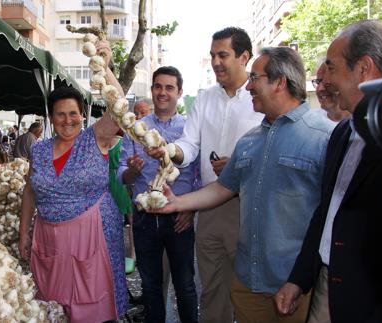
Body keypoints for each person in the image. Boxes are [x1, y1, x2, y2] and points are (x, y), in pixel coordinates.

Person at [148, 47, 334, 323]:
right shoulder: (249, 141)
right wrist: (178, 202)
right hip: (248, 281)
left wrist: (300, 279)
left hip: (296, 283)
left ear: (279, 82)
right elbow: (223, 188)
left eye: (255, 78)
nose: (249, 86)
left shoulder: (325, 136)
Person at [274, 20, 382, 323]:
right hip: (328, 290)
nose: (324, 79)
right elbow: (328, 211)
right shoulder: (341, 132)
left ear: (364, 68)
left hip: (378, 306)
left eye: (331, 67)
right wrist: (299, 279)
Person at [147, 27, 264, 323]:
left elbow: (270, 148)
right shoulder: (205, 99)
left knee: (250, 291)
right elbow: (189, 144)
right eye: (213, 55)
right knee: (212, 288)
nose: (215, 62)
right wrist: (170, 150)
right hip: (209, 207)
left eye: (223, 55)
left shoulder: (260, 96)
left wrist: (241, 165)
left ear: (244, 57)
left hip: (249, 206)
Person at [18, 40, 128, 322]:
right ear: (51, 117)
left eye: (73, 114)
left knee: (93, 300)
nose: (68, 120)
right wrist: (24, 231)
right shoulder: (39, 149)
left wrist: (105, 65)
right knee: (54, 305)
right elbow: (30, 191)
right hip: (49, 237)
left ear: (83, 115)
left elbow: (119, 106)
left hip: (92, 233)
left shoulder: (96, 137)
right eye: (60, 114)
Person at [119, 66, 200, 323]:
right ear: (152, 90)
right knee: (151, 287)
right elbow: (122, 174)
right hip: (145, 218)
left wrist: (190, 208)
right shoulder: (136, 129)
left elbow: (200, 174)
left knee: (185, 286)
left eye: (169, 87)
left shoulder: (190, 129)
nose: (162, 92)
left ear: (179, 92)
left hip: (179, 218)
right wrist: (132, 171)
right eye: (158, 86)